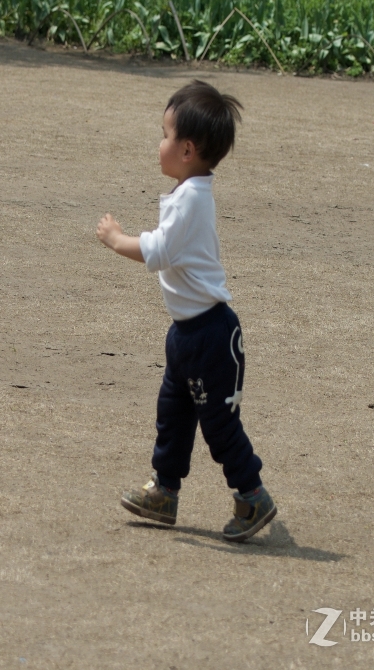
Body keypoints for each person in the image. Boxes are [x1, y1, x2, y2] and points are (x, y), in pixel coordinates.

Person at [96, 81, 277, 543]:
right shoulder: (188, 191)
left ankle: (252, 494)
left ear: (187, 150)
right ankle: (165, 489)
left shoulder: (193, 198)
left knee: (218, 424)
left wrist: (118, 239)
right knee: (173, 414)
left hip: (210, 337)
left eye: (164, 134)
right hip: (187, 336)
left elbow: (158, 250)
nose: (159, 144)